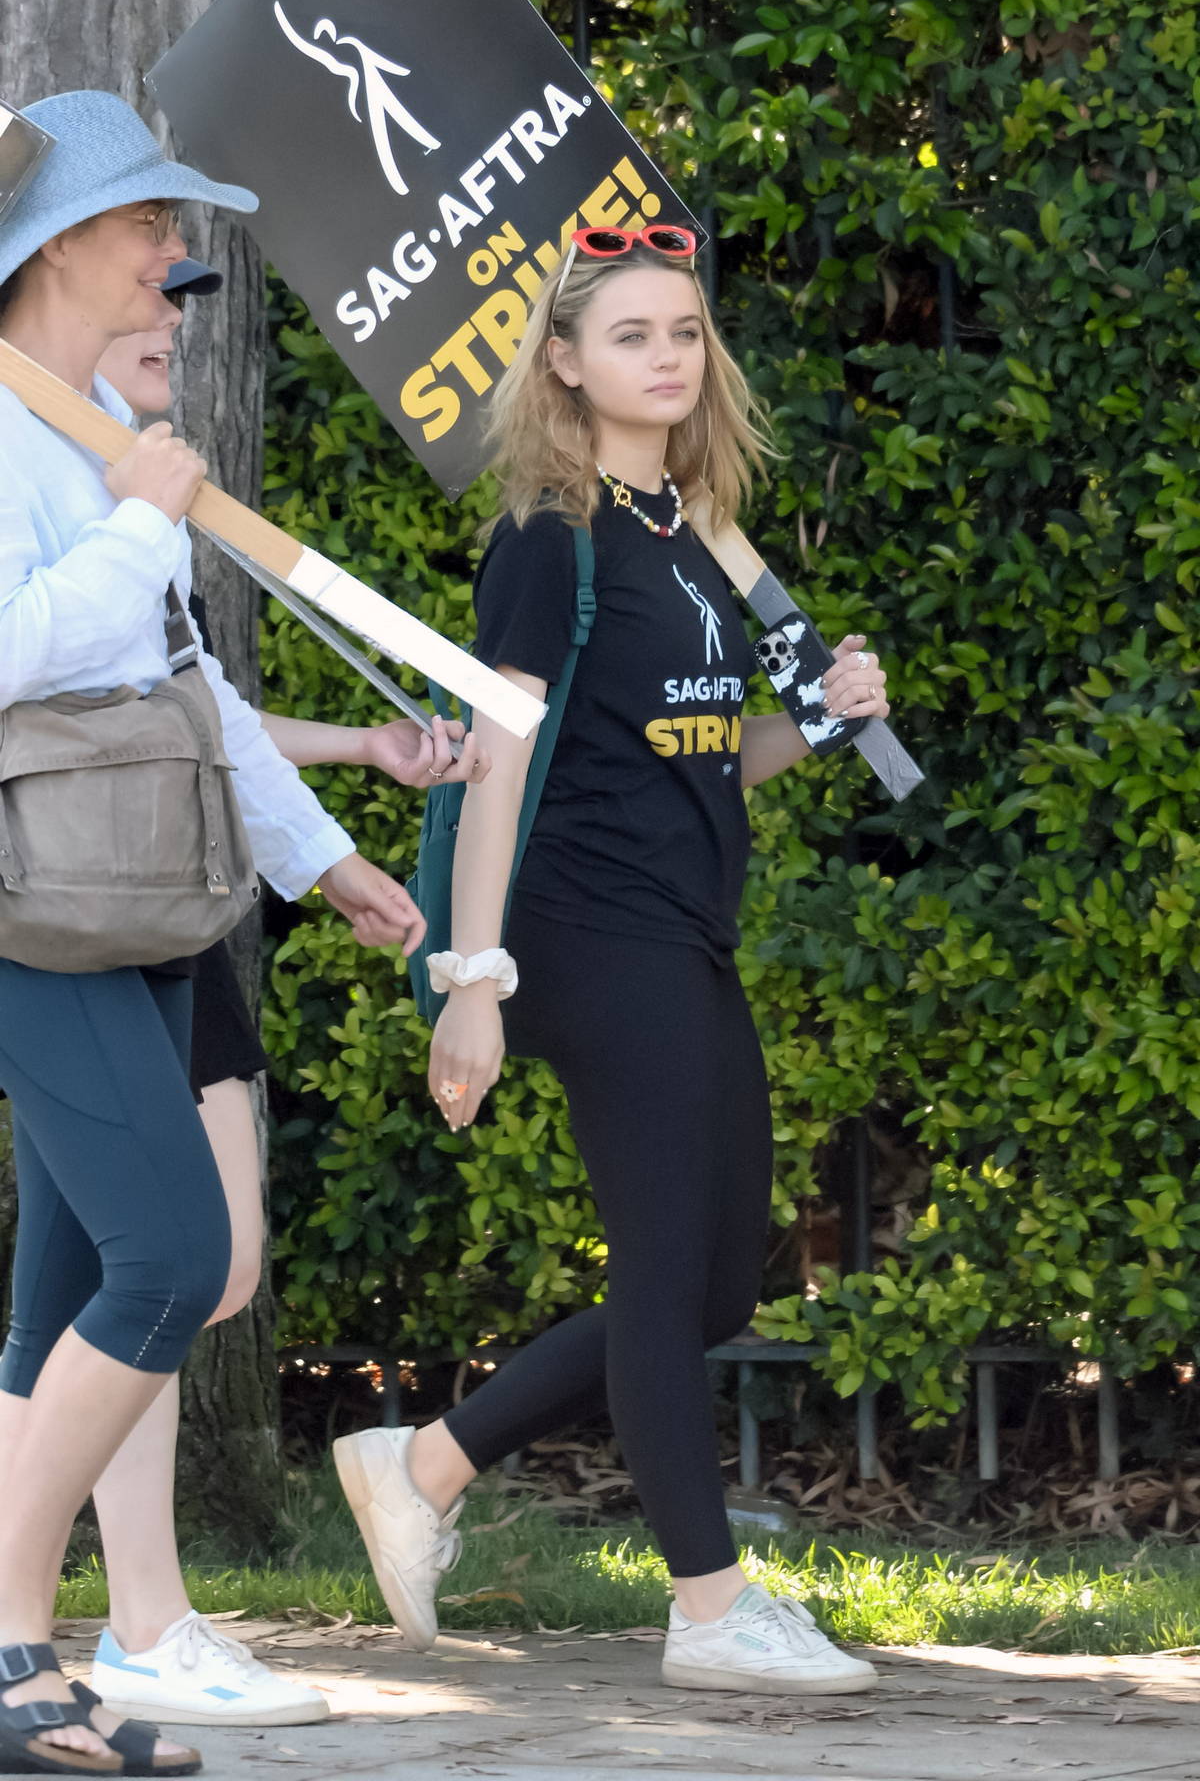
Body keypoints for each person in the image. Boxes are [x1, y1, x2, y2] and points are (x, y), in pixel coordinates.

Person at [333, 224, 893, 1697]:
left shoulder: (693, 541)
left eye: (687, 332)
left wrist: (821, 718)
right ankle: (710, 1612)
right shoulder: (550, 534)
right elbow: (504, 762)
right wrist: (472, 981)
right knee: (660, 1272)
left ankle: (425, 1465)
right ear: (566, 364)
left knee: (711, 1292)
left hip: (684, 926)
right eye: (634, 333)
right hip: (579, 929)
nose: (669, 356)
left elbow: (716, 756)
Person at [0, 89, 423, 1775]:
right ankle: (14, 1638)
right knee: (177, 1256)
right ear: (52, 246)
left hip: (137, 898)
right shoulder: (38, 441)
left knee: (64, 1307)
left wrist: (324, 862)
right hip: (33, 901)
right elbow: (19, 648)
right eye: (148, 228)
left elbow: (196, 690)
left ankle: (31, 1692)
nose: (177, 262)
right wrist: (140, 511)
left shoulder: (101, 427)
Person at [77, 263, 487, 1731]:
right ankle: (138, 1620)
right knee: (174, 1269)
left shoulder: (129, 479)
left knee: (174, 1273)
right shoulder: (73, 482)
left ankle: (121, 1621)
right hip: (86, 916)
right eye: (138, 288)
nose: (173, 318)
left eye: (178, 298)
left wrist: (336, 832)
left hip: (178, 906)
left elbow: (206, 710)